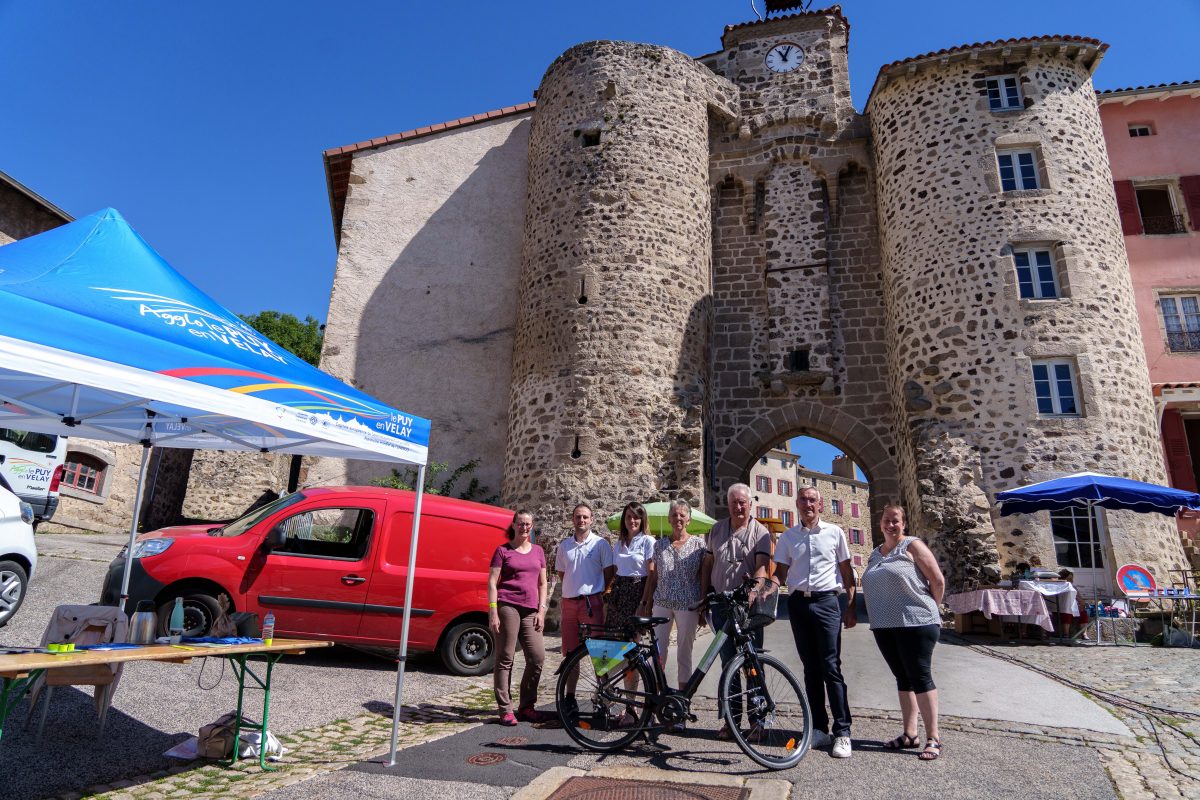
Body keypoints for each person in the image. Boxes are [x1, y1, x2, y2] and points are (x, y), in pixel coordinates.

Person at [772, 486, 857, 758]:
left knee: (831, 666)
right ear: (797, 504)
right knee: (810, 669)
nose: (807, 504)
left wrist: (851, 606)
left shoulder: (835, 533)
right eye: (803, 499)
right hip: (798, 604)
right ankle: (819, 729)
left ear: (820, 505)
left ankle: (842, 732)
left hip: (827, 602)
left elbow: (846, 571)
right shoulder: (788, 537)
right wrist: (761, 590)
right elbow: (780, 575)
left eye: (812, 499)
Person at [860, 503, 946, 761]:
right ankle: (910, 734)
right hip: (885, 626)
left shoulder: (912, 545)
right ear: (880, 523)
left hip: (916, 623)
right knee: (902, 678)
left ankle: (933, 738)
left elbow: (937, 580)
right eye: (887, 520)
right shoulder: (875, 554)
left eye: (896, 520)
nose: (891, 524)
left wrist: (930, 608)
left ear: (904, 523)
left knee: (920, 677)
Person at [699, 483, 771, 741]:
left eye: (743, 502)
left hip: (747, 607)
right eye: (734, 503)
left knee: (752, 664)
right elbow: (708, 563)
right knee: (727, 664)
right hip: (720, 605)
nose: (738, 507)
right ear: (728, 505)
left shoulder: (760, 532)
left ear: (750, 504)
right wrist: (704, 595)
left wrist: (753, 591)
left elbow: (763, 567)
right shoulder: (717, 530)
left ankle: (758, 720)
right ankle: (731, 721)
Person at [488, 510, 552, 726]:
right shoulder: (502, 551)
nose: (524, 527)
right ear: (514, 525)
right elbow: (492, 582)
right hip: (508, 607)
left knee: (537, 657)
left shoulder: (538, 551)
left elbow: (543, 583)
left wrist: (542, 611)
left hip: (531, 610)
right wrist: (493, 611)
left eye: (528, 524)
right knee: (506, 658)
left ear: (531, 527)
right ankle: (505, 709)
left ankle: (526, 706)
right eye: (521, 523)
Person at [640, 499, 705, 702]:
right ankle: (657, 700)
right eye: (675, 514)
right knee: (658, 652)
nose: (678, 518)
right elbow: (654, 577)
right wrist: (647, 604)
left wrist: (703, 605)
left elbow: (703, 576)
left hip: (688, 604)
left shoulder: (699, 545)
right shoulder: (659, 545)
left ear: (689, 519)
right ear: (669, 519)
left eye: (682, 515)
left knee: (685, 653)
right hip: (662, 603)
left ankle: (682, 701)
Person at [556, 503, 616, 703]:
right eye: (578, 517)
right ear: (573, 520)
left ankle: (604, 696)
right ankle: (570, 697)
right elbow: (562, 574)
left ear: (592, 520)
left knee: (599, 652)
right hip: (569, 603)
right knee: (571, 653)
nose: (581, 520)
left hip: (591, 603)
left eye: (585, 517)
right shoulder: (564, 546)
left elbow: (609, 573)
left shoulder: (600, 544)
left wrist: (598, 593)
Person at [605, 501, 656, 726]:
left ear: (642, 520)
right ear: (624, 521)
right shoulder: (618, 545)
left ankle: (632, 707)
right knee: (616, 652)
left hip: (637, 595)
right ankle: (621, 705)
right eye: (628, 517)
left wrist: (644, 602)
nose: (632, 521)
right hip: (619, 598)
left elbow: (651, 575)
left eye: (636, 517)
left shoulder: (648, 541)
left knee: (634, 655)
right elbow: (616, 573)